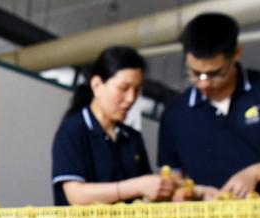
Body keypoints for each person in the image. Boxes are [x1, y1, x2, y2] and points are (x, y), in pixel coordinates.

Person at [158, 13, 260, 199]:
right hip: (208, 215)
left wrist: (256, 173)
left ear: (236, 54)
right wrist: (189, 192)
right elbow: (173, 179)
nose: (204, 83)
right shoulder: (175, 114)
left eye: (215, 73)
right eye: (195, 73)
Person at [51, 46, 175, 206]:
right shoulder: (73, 131)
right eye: (123, 88)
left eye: (136, 90)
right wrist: (137, 186)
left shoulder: (132, 138)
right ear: (97, 85)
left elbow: (145, 196)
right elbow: (76, 195)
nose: (131, 98)